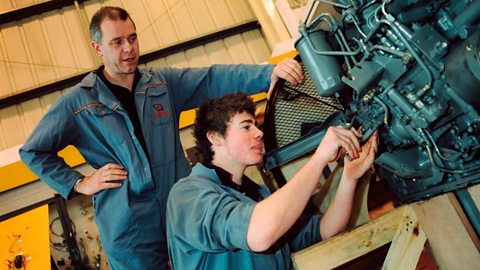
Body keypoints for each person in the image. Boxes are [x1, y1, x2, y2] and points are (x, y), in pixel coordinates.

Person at [19, 6, 304, 270]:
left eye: (132, 38)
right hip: (128, 227)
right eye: (117, 42)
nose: (129, 48)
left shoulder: (161, 84)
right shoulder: (78, 103)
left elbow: (213, 78)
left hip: (179, 208)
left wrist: (269, 73)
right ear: (97, 48)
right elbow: (33, 151)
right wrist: (80, 183)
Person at [166, 93, 378, 269]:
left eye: (256, 126)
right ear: (215, 138)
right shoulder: (188, 194)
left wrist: (349, 177)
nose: (259, 133)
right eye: (246, 127)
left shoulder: (259, 195)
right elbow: (258, 234)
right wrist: (320, 157)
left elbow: (325, 230)